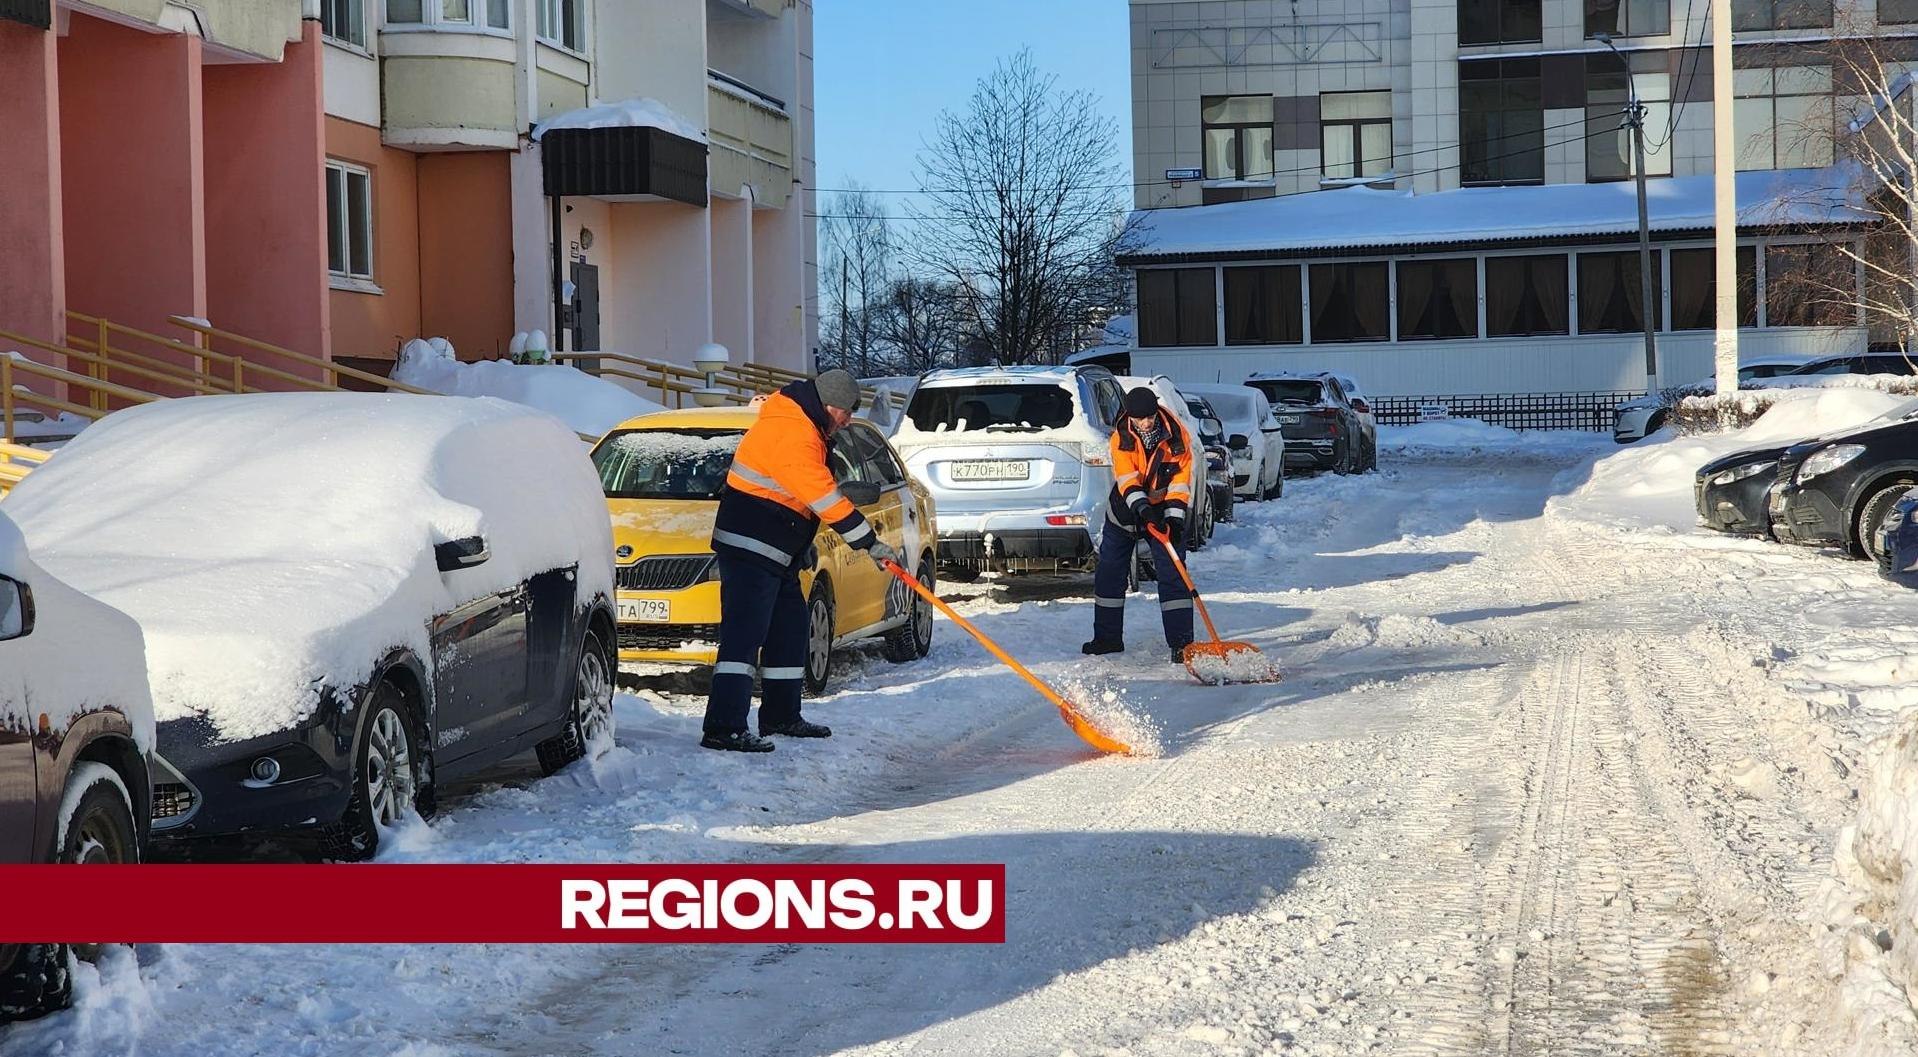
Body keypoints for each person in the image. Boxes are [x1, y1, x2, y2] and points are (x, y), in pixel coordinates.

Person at [701, 369, 897, 752]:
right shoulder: (794, 433)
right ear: (828, 405)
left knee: (790, 630)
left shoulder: (805, 424)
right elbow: (823, 496)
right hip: (750, 546)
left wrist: (799, 540)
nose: (848, 420)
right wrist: (869, 542)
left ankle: (781, 715)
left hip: (778, 548)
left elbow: (795, 496)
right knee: (744, 639)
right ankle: (723, 728)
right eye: (846, 411)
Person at [1083, 386, 1196, 664]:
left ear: (1156, 411)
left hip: (1164, 509)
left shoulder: (1178, 437)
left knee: (1173, 572)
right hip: (1125, 509)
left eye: (1148, 417)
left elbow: (1180, 482)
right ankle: (1107, 639)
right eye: (1138, 419)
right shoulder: (1120, 438)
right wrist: (1144, 510)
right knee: (1110, 571)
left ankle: (1182, 644)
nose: (1144, 423)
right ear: (1130, 418)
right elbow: (1127, 481)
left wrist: (1174, 518)